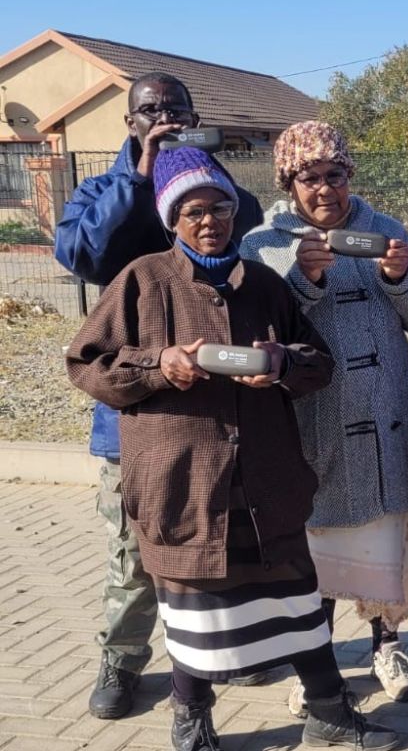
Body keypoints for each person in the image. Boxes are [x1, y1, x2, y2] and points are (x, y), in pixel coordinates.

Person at [65, 148, 398, 751]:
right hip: (186, 478)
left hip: (265, 476)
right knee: (196, 609)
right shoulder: (142, 280)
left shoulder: (264, 283)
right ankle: (191, 719)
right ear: (173, 219)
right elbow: (87, 364)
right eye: (193, 211)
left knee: (296, 596)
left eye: (219, 206)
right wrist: (159, 364)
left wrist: (278, 364)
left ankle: (328, 713)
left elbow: (316, 362)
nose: (209, 220)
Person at [52, 71, 263, 720]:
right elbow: (82, 255)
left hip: (215, 408)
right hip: (134, 407)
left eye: (175, 109)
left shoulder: (218, 189)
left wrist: (198, 172)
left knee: (219, 541)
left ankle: (222, 655)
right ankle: (121, 659)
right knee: (131, 551)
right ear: (130, 122)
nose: (164, 117)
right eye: (150, 111)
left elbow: (247, 231)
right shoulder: (101, 191)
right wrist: (142, 176)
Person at [239, 120, 408, 713]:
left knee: (384, 542)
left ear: (350, 174)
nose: (324, 189)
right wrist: (305, 277)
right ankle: (315, 667)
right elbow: (262, 333)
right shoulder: (263, 244)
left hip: (384, 419)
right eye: (308, 177)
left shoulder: (386, 230)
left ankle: (388, 646)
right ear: (287, 180)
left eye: (334, 175)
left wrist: (402, 278)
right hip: (312, 423)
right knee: (316, 551)